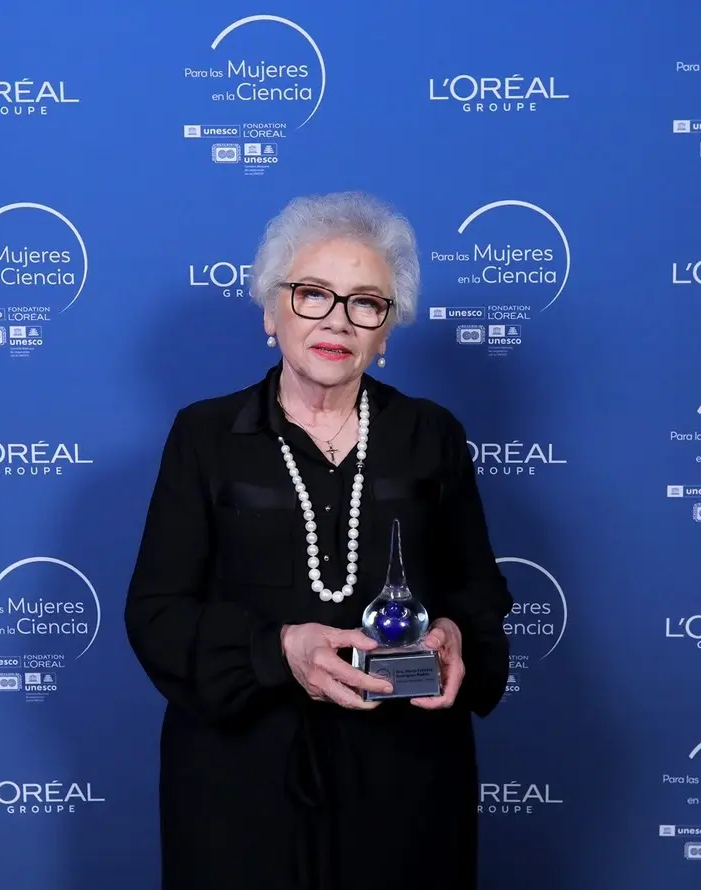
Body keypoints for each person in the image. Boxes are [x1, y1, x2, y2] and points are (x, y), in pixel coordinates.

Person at [124, 191, 514, 890]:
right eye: (312, 294)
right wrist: (280, 648)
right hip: (239, 782)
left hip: (408, 780)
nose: (338, 319)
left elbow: (478, 587)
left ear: (386, 332)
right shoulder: (203, 437)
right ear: (271, 311)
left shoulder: (433, 435)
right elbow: (156, 613)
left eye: (366, 302)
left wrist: (457, 633)